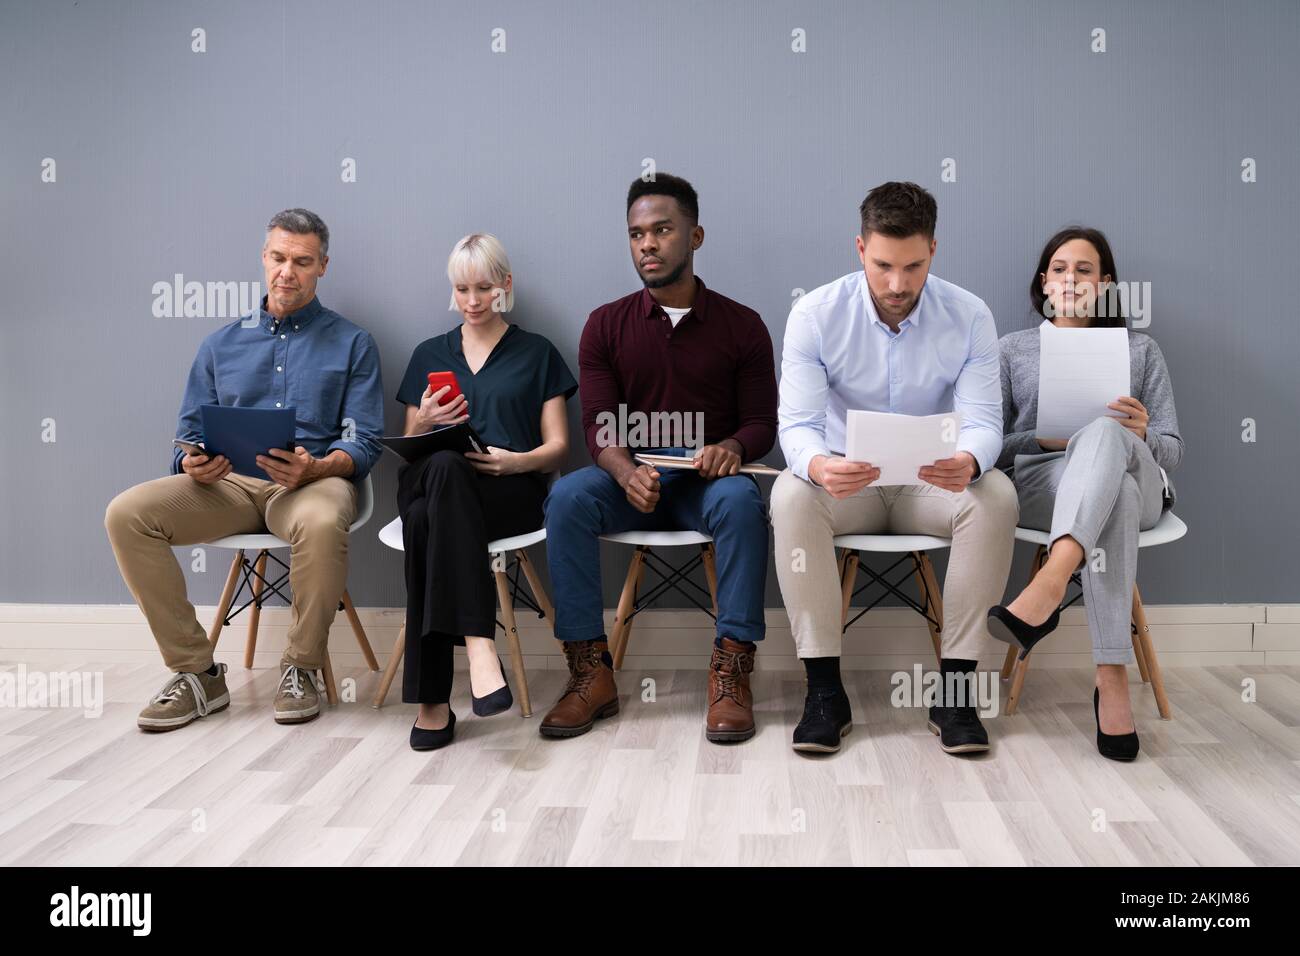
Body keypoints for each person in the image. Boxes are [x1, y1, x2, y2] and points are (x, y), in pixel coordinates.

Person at [105, 208, 384, 730]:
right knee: (126, 514)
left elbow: (365, 442)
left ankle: (301, 668)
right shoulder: (219, 344)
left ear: (323, 266)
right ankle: (198, 674)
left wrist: (318, 466)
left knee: (323, 520)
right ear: (264, 257)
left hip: (309, 484)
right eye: (278, 258)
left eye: (302, 262)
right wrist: (193, 462)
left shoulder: (353, 343)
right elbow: (185, 436)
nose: (287, 272)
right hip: (226, 487)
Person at [770, 181, 1019, 756]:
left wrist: (971, 459)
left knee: (997, 494)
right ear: (860, 249)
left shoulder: (970, 315)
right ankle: (825, 693)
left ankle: (956, 693)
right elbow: (797, 426)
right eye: (883, 265)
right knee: (789, 494)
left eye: (912, 266)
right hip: (846, 485)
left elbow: (985, 420)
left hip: (931, 485)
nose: (897, 284)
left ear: (934, 248)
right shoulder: (814, 314)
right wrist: (818, 466)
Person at [542, 173, 778, 743]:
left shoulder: (743, 325)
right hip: (634, 476)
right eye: (636, 234)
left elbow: (761, 424)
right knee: (568, 497)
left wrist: (733, 447)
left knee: (744, 503)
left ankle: (731, 673)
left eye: (662, 230)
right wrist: (624, 472)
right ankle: (589, 673)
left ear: (695, 236)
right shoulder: (604, 324)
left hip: (706, 481)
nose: (647, 244)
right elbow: (599, 423)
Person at [988, 226, 1183, 761]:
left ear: (1106, 284)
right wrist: (1045, 438)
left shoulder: (1141, 350)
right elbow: (989, 448)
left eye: (1084, 270)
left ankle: (1054, 577)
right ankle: (1111, 678)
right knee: (1109, 492)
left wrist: (1140, 434)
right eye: (1059, 268)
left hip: (1140, 478)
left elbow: (1173, 449)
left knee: (1104, 436)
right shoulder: (1011, 350)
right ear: (1043, 281)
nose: (1070, 279)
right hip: (1045, 483)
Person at [394, 233, 577, 751]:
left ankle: (432, 702)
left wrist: (514, 461)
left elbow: (559, 447)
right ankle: (478, 644)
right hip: (430, 479)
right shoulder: (428, 352)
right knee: (446, 464)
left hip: (506, 492)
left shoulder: (538, 352)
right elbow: (408, 446)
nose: (472, 301)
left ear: (505, 286)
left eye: (483, 288)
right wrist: (426, 419)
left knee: (428, 519)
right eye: (461, 289)